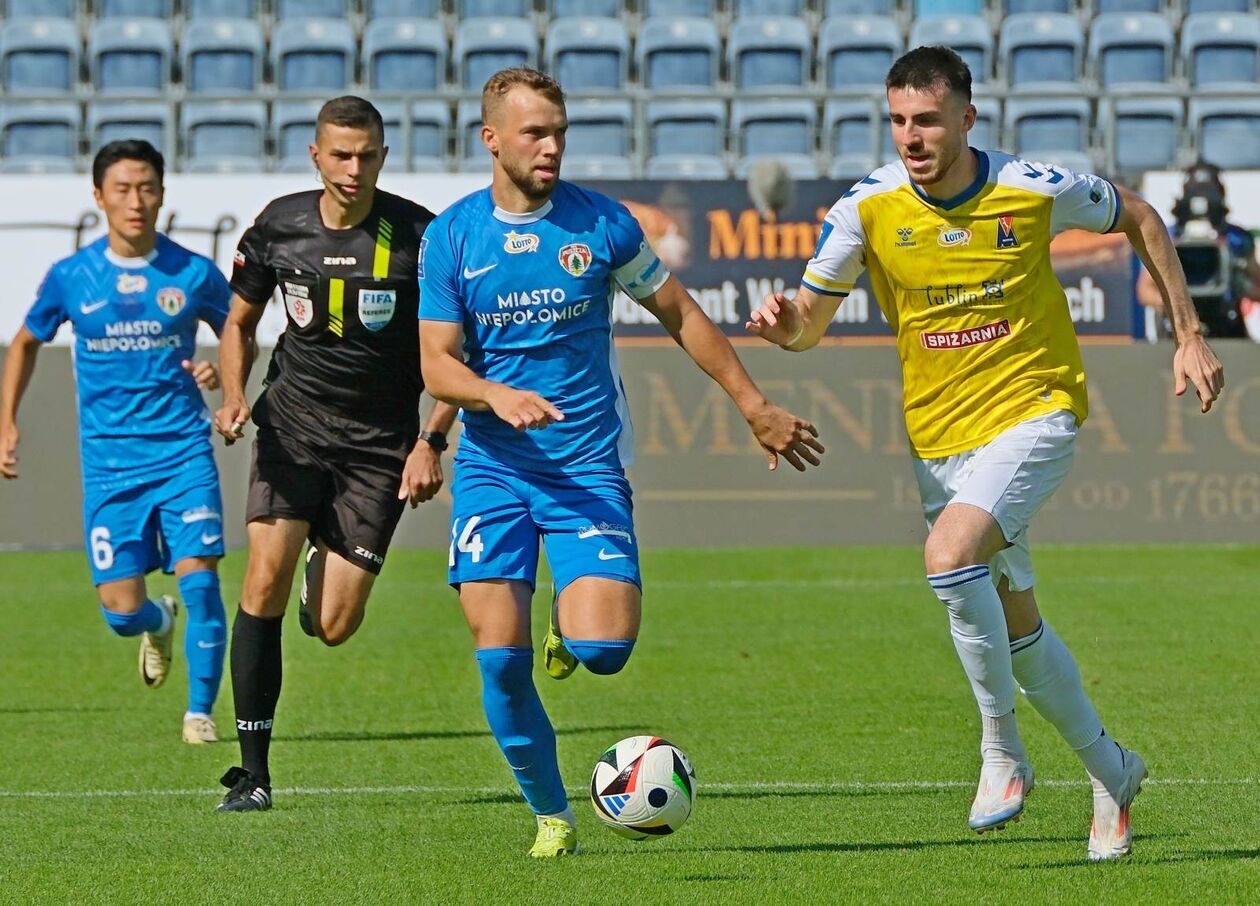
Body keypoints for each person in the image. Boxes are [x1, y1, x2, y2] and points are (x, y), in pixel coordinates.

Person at [746, 46, 1224, 862]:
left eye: (927, 120)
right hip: (939, 441)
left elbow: (1141, 216)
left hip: (1037, 412)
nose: (911, 137)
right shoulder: (866, 209)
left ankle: (1001, 753)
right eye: (898, 120)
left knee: (947, 556)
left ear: (968, 118)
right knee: (1017, 624)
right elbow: (808, 332)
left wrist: (1187, 332)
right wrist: (782, 324)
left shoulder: (1032, 188)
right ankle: (1112, 772)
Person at [418, 68, 825, 858]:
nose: (552, 147)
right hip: (495, 470)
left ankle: (570, 634)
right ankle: (552, 815)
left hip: (583, 470)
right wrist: (492, 396)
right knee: (498, 664)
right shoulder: (452, 236)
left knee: (604, 652)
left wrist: (754, 405)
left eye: (560, 132)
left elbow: (681, 314)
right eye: (535, 132)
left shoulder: (602, 226)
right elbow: (437, 366)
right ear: (491, 138)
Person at [212, 96, 457, 812]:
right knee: (261, 584)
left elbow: (453, 352)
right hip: (291, 427)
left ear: (383, 156)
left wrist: (430, 440)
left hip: (379, 448)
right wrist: (233, 394)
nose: (354, 168)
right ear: (316, 155)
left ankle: (328, 561)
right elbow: (239, 322)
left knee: (334, 627)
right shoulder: (278, 226)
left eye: (368, 154)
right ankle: (253, 774)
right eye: (341, 155)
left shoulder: (421, 237)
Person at [0, 140, 232, 745]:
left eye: (148, 188)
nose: (137, 201)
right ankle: (158, 622)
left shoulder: (191, 271)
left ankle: (199, 712)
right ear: (99, 197)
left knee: (202, 579)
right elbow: (24, 343)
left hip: (184, 453)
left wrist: (223, 377)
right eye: (123, 189)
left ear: (162, 193)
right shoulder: (72, 277)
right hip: (110, 467)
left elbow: (238, 330)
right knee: (121, 613)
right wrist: (7, 421)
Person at [1136, 161, 1260, 340]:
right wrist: (1178, 305)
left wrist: (1240, 285)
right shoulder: (1166, 237)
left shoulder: (1238, 239)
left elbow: (1257, 285)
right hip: (1178, 327)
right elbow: (1144, 290)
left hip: (1227, 322)